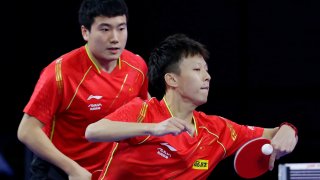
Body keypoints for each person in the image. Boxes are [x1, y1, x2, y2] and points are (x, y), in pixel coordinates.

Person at [85, 33, 298, 179]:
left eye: (206, 70)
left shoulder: (216, 131)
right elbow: (93, 131)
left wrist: (289, 130)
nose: (207, 77)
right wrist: (153, 128)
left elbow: (274, 134)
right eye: (197, 70)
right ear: (172, 80)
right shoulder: (142, 111)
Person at [17, 0, 149, 179]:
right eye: (105, 29)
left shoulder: (137, 66)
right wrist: (72, 169)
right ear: (85, 32)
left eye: (121, 28)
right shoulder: (59, 73)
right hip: (60, 169)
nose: (115, 38)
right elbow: (27, 131)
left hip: (109, 169)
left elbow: (144, 106)